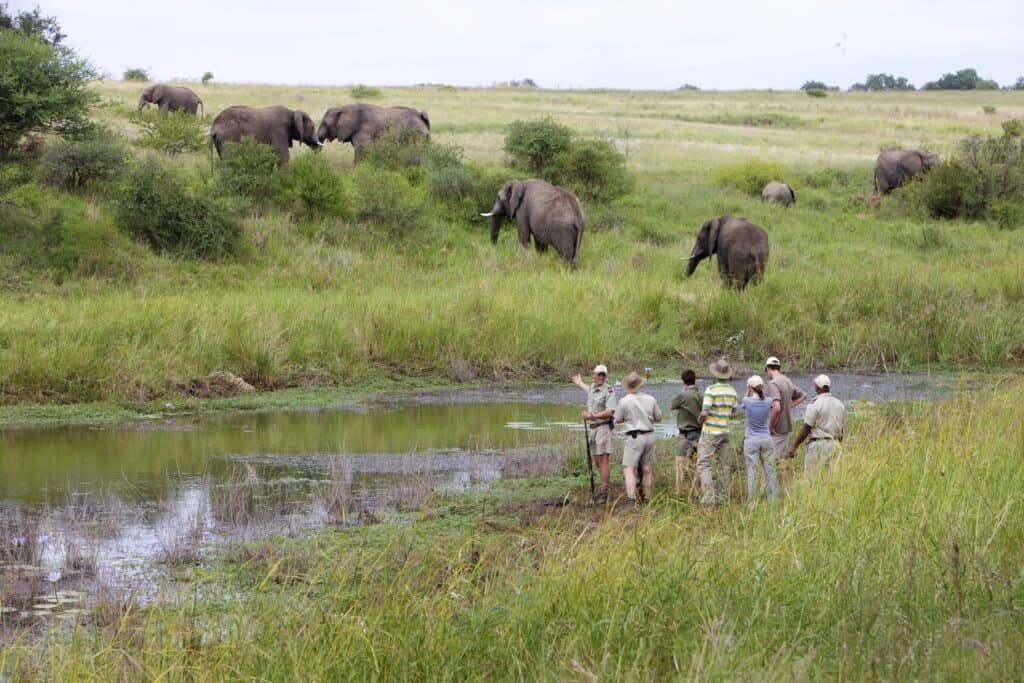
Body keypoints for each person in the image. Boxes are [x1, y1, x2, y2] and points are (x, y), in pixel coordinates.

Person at [613, 371, 662, 507]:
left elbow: (617, 419)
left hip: (634, 437)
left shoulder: (624, 401)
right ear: (640, 385)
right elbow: (658, 417)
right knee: (647, 468)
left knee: (629, 469)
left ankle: (631, 500)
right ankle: (647, 498)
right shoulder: (651, 399)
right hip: (650, 435)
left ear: (628, 386)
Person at [572, 364, 618, 503]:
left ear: (606, 376)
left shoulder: (609, 390)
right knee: (598, 461)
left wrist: (591, 416)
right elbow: (588, 389)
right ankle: (603, 488)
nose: (601, 377)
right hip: (594, 429)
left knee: (603, 461)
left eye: (603, 375)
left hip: (603, 427)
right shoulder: (592, 387)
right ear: (594, 375)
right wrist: (579, 382)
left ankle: (604, 492)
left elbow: (611, 411)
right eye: (599, 374)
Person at [696, 358, 738, 506]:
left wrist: (700, 420)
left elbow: (705, 412)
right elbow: (733, 412)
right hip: (725, 431)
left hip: (710, 432)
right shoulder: (732, 391)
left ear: (715, 374)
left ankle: (708, 498)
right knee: (723, 465)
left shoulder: (711, 390)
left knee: (704, 463)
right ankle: (722, 497)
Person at [788, 374, 846, 478]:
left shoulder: (815, 404)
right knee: (831, 479)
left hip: (818, 446)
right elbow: (841, 431)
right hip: (835, 444)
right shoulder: (840, 404)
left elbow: (807, 427)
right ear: (829, 387)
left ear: (817, 387)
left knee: (812, 479)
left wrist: (794, 445)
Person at [763, 356, 805, 485]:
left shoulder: (773, 384)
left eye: (766, 371)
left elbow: (776, 408)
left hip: (778, 430)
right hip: (787, 428)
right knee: (782, 461)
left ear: (768, 369)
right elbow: (803, 395)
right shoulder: (787, 380)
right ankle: (783, 490)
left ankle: (772, 492)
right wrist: (790, 405)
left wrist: (770, 427)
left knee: (771, 463)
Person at [740, 375, 781, 502]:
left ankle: (751, 502)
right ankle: (773, 500)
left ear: (750, 387)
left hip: (751, 439)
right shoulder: (768, 401)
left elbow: (743, 402)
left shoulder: (747, 401)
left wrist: (747, 391)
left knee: (752, 472)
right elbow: (775, 408)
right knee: (770, 471)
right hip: (766, 439)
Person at [670, 368, 703, 497]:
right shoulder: (701, 395)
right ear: (695, 380)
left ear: (683, 382)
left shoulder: (683, 395)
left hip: (687, 434)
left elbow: (672, 406)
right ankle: (697, 493)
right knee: (695, 464)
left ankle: (679, 492)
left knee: (679, 461)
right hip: (699, 433)